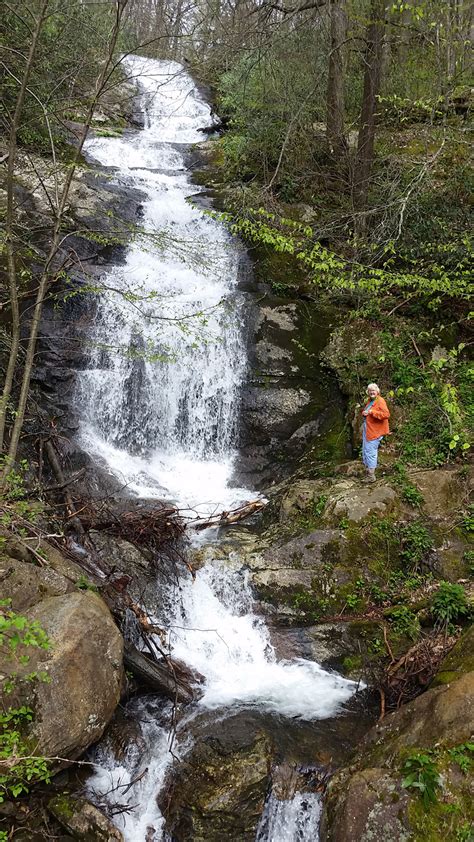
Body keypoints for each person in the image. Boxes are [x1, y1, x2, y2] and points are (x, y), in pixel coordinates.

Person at [361, 383, 390, 482]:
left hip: (375, 431)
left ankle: (371, 476)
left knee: (370, 452)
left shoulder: (380, 401)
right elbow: (368, 412)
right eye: (370, 391)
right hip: (368, 430)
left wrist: (371, 412)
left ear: (377, 391)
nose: (371, 392)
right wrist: (365, 413)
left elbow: (386, 414)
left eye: (373, 390)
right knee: (366, 451)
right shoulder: (370, 401)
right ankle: (368, 473)